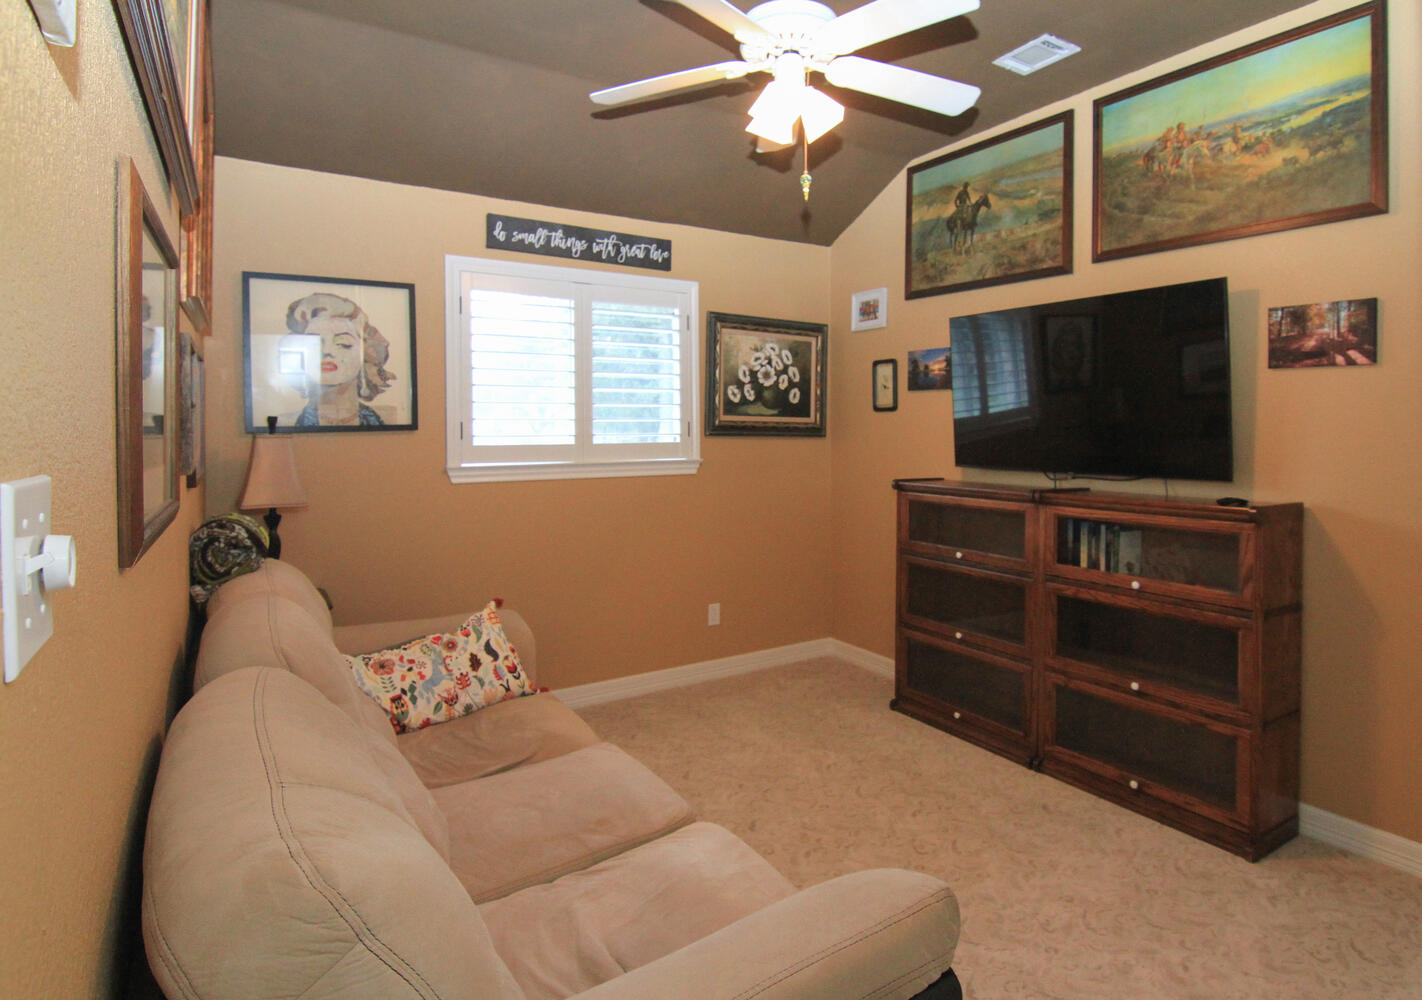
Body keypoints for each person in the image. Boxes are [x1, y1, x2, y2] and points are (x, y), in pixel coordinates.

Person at [281, 292, 396, 426]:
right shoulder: (284, 423)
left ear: (365, 355)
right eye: (314, 344)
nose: (326, 351)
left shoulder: (388, 419)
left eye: (343, 344)